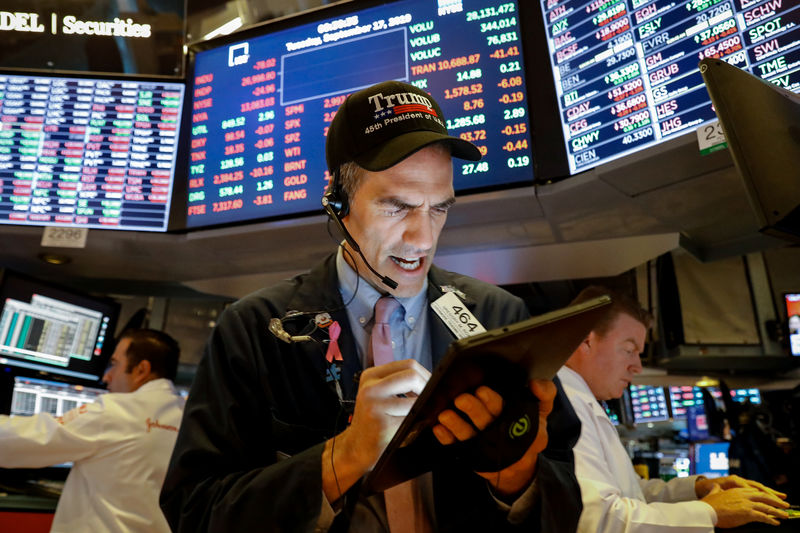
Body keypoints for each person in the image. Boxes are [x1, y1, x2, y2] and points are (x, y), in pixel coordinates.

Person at [160, 80, 583, 532]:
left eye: (438, 209)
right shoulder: (254, 329)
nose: (423, 239)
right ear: (338, 203)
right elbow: (195, 512)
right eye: (397, 207)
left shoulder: (499, 317)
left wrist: (515, 477)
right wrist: (345, 455)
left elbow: (565, 504)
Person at [557, 286, 790, 532]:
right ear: (586, 340)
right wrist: (710, 512)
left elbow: (633, 493)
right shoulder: (564, 405)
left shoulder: (583, 402)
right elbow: (599, 520)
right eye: (629, 350)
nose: (637, 366)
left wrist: (697, 488)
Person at [0, 328, 185, 533]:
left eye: (114, 364)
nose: (107, 376)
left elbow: (30, 438)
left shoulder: (115, 411)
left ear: (141, 370)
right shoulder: (186, 416)